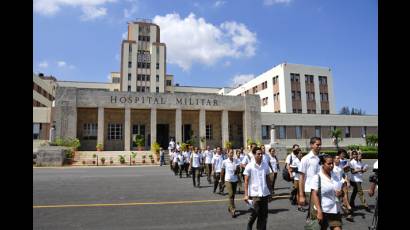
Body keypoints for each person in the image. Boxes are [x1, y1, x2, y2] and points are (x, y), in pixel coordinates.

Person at [310, 154, 344, 230]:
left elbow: (340, 188)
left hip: (335, 209)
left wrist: (340, 192)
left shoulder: (335, 175)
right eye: (329, 164)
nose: (331, 165)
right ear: (322, 164)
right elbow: (314, 194)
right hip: (323, 210)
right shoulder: (317, 178)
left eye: (332, 163)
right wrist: (319, 211)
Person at [243, 147, 273, 230]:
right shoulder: (249, 166)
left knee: (264, 214)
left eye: (261, 154)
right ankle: (250, 223)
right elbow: (246, 181)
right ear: (254, 155)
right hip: (254, 193)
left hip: (264, 192)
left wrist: (270, 192)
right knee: (255, 212)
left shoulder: (265, 165)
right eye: (258, 154)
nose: (260, 155)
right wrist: (246, 195)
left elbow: (267, 178)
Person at [299, 137, 321, 208]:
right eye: (317, 145)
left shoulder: (321, 158)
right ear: (311, 145)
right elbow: (301, 178)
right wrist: (301, 195)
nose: (319, 146)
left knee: (321, 213)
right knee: (314, 214)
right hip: (310, 190)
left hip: (321, 189)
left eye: (320, 145)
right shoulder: (305, 159)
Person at [221, 149, 241, 217]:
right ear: (227, 154)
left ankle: (230, 206)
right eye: (230, 153)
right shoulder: (224, 162)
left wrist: (237, 169)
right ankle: (233, 210)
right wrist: (222, 181)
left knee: (233, 195)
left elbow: (239, 170)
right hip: (228, 180)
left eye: (232, 153)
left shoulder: (236, 160)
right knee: (231, 194)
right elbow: (222, 172)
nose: (231, 154)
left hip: (234, 180)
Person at [336, 149, 353, 220]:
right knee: (337, 199)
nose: (343, 155)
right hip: (336, 183)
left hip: (343, 181)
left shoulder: (344, 161)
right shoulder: (334, 163)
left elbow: (345, 172)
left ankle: (348, 212)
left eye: (344, 154)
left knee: (345, 195)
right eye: (342, 154)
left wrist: (347, 180)